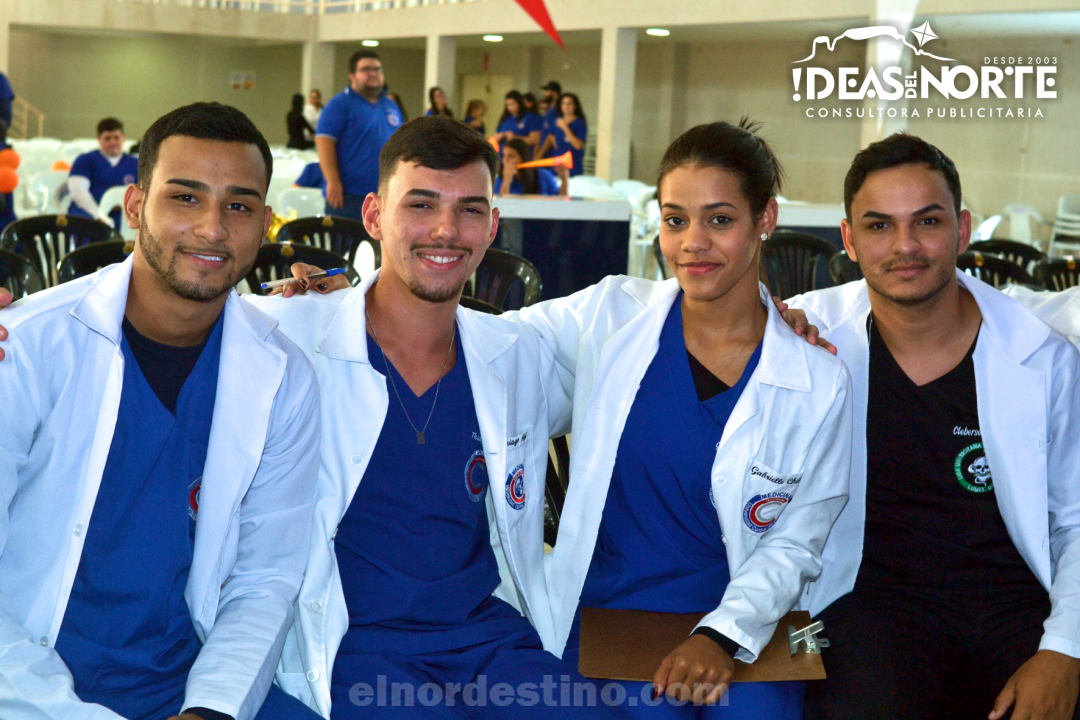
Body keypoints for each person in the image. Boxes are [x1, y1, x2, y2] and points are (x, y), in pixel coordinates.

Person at [240, 116, 629, 719]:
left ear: (493, 225)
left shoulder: (514, 352)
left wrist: (773, 319)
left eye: (470, 210)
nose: (446, 231)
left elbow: (639, 310)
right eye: (420, 205)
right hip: (360, 649)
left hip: (485, 642)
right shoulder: (290, 337)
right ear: (373, 216)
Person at [506, 120, 852, 716]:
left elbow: (797, 543)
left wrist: (720, 635)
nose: (692, 242)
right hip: (612, 612)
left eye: (720, 219)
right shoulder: (609, 315)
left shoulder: (817, 377)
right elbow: (482, 341)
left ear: (765, 219)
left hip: (764, 621)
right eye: (675, 220)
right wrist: (337, 301)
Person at [0, 102, 322, 720]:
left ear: (265, 223)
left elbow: (265, 579)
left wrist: (211, 709)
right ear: (133, 206)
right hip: (28, 684)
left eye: (239, 205)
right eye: (184, 197)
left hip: (187, 686)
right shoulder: (27, 347)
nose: (211, 228)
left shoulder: (283, 378)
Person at [785, 134, 1080, 720]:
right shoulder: (806, 340)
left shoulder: (1041, 357)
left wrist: (1064, 651)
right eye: (877, 226)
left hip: (1013, 605)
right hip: (863, 602)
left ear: (963, 229)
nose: (905, 246)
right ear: (847, 238)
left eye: (927, 221)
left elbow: (1076, 518)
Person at [316, 49, 404, 221]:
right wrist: (333, 182)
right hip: (348, 197)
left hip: (385, 195)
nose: (373, 73)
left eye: (377, 69)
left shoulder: (391, 105)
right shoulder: (340, 104)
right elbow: (324, 142)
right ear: (352, 76)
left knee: (380, 248)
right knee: (344, 247)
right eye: (366, 69)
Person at [67, 117, 140, 231]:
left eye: (116, 137)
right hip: (89, 213)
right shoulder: (85, 160)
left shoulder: (136, 163)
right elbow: (78, 192)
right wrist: (98, 215)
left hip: (123, 214)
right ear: (99, 139)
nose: (112, 142)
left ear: (123, 138)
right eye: (107, 138)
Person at [495, 137, 567, 197]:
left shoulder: (543, 175)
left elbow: (561, 203)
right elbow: (501, 207)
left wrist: (564, 180)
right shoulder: (499, 181)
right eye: (504, 156)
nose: (505, 161)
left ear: (523, 158)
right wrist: (506, 181)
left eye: (511, 156)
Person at [538, 93, 586, 177]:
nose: (566, 106)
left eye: (569, 104)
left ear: (575, 106)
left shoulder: (579, 123)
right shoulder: (557, 121)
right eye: (564, 103)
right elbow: (550, 136)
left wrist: (565, 127)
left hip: (572, 167)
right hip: (557, 165)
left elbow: (578, 145)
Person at [494, 90, 542, 157]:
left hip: (521, 157)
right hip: (502, 157)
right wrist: (499, 137)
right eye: (507, 104)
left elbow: (535, 139)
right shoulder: (505, 118)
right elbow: (495, 136)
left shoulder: (530, 117)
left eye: (512, 104)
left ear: (519, 103)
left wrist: (515, 138)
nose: (510, 107)